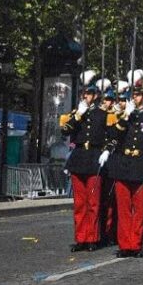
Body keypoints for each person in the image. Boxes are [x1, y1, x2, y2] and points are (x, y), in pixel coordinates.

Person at [107, 82, 143, 257]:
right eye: (132, 96)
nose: (135, 98)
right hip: (123, 165)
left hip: (140, 166)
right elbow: (113, 136)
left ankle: (136, 245)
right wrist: (125, 116)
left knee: (139, 209)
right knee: (123, 209)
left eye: (138, 95)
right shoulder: (122, 116)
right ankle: (125, 245)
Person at [60, 73, 113, 252]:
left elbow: (111, 136)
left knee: (93, 202)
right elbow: (65, 131)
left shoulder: (103, 114)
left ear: (95, 95)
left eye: (89, 94)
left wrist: (106, 150)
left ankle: (92, 238)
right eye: (83, 93)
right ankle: (81, 238)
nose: (86, 96)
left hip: (94, 158)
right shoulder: (76, 114)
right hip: (79, 158)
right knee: (80, 203)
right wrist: (78, 115)